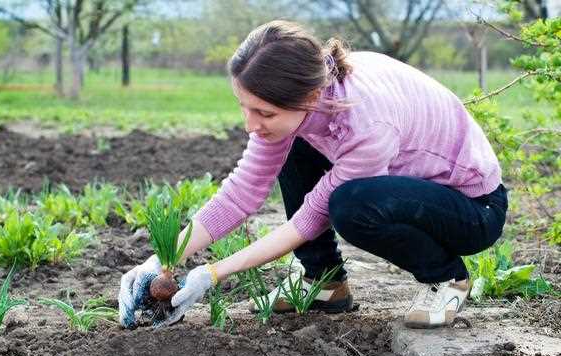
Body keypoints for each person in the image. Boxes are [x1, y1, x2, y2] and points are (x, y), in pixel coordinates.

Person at [118, 20, 508, 330]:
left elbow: (309, 219)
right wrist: (161, 260)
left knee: (351, 206)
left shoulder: (366, 122)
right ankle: (326, 283)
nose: (250, 124)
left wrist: (212, 273)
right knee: (295, 143)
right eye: (244, 107)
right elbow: (241, 193)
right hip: (410, 188)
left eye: (264, 113)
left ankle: (446, 278)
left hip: (471, 209)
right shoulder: (304, 98)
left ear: (307, 99)